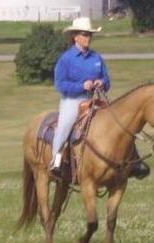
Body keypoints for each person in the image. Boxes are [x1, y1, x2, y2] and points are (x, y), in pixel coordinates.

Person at [49, 17, 110, 174]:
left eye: (90, 34)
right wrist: (80, 86)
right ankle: (56, 161)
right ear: (75, 36)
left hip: (95, 99)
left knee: (117, 120)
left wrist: (101, 83)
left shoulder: (96, 58)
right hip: (73, 100)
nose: (88, 37)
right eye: (84, 34)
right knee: (65, 125)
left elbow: (107, 79)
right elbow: (60, 84)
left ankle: (131, 160)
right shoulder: (66, 59)